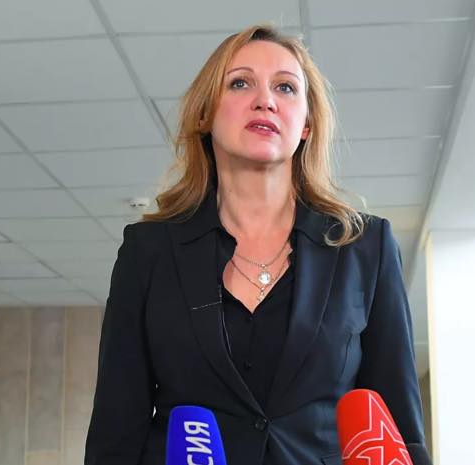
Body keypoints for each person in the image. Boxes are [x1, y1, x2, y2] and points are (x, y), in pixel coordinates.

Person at [85, 24, 432, 465]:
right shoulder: (147, 251)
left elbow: (398, 426)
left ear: (306, 125)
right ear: (205, 114)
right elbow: (116, 429)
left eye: (285, 87)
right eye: (240, 83)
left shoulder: (365, 247)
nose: (265, 100)